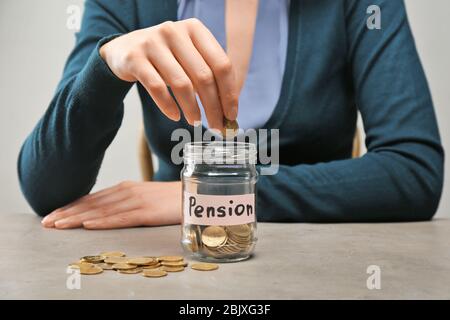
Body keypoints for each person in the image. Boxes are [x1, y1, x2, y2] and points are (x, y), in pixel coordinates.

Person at [18, 0, 444, 229]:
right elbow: (46, 188)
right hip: (177, 260)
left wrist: (204, 197)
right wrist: (106, 65)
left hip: (321, 260)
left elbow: (412, 171)